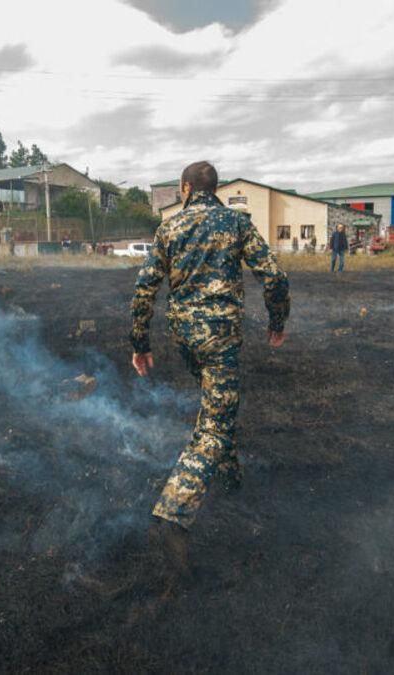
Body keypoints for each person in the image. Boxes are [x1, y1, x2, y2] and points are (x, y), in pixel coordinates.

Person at [130, 160, 289, 576]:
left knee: (219, 404)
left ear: (185, 189)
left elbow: (145, 288)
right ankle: (173, 510)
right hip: (219, 339)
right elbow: (273, 275)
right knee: (216, 422)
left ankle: (231, 483)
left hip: (184, 337)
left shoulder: (169, 228)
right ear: (212, 188)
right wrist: (277, 321)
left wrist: (140, 343)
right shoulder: (236, 223)